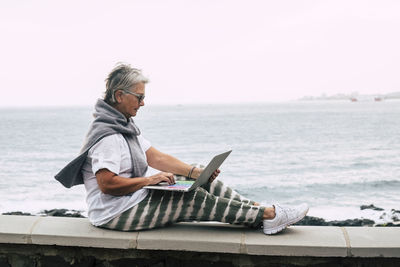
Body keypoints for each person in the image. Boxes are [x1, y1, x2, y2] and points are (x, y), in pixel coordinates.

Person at [55, 63, 308, 235]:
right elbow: (106, 184)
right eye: (139, 97)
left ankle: (260, 212)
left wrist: (196, 171)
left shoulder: (124, 126)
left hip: (132, 201)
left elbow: (156, 157)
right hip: (114, 214)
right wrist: (148, 181)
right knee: (192, 199)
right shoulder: (108, 136)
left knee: (204, 183)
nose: (144, 102)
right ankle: (269, 214)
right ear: (120, 95)